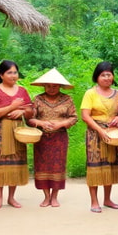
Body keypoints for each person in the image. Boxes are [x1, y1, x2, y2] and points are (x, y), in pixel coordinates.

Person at [0, 60, 32, 209]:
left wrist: (22, 111)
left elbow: (31, 111)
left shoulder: (22, 91)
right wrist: (12, 106)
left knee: (15, 163)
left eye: (15, 72)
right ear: (1, 74)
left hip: (17, 130)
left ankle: (12, 198)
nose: (13, 75)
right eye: (9, 72)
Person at [28, 68, 77, 208]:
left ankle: (55, 196)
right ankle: (46, 196)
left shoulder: (67, 99)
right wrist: (41, 123)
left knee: (58, 166)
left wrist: (60, 124)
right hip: (41, 138)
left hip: (59, 138)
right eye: (48, 85)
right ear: (44, 86)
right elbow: (30, 119)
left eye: (55, 86)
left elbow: (74, 118)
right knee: (41, 165)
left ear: (60, 86)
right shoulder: (38, 99)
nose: (51, 88)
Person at [81, 62, 118, 213]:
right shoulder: (90, 93)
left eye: (109, 74)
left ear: (113, 76)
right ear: (97, 77)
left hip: (113, 134)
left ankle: (107, 199)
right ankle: (94, 201)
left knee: (110, 166)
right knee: (95, 167)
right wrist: (100, 130)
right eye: (103, 75)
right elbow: (85, 116)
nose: (106, 78)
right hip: (95, 133)